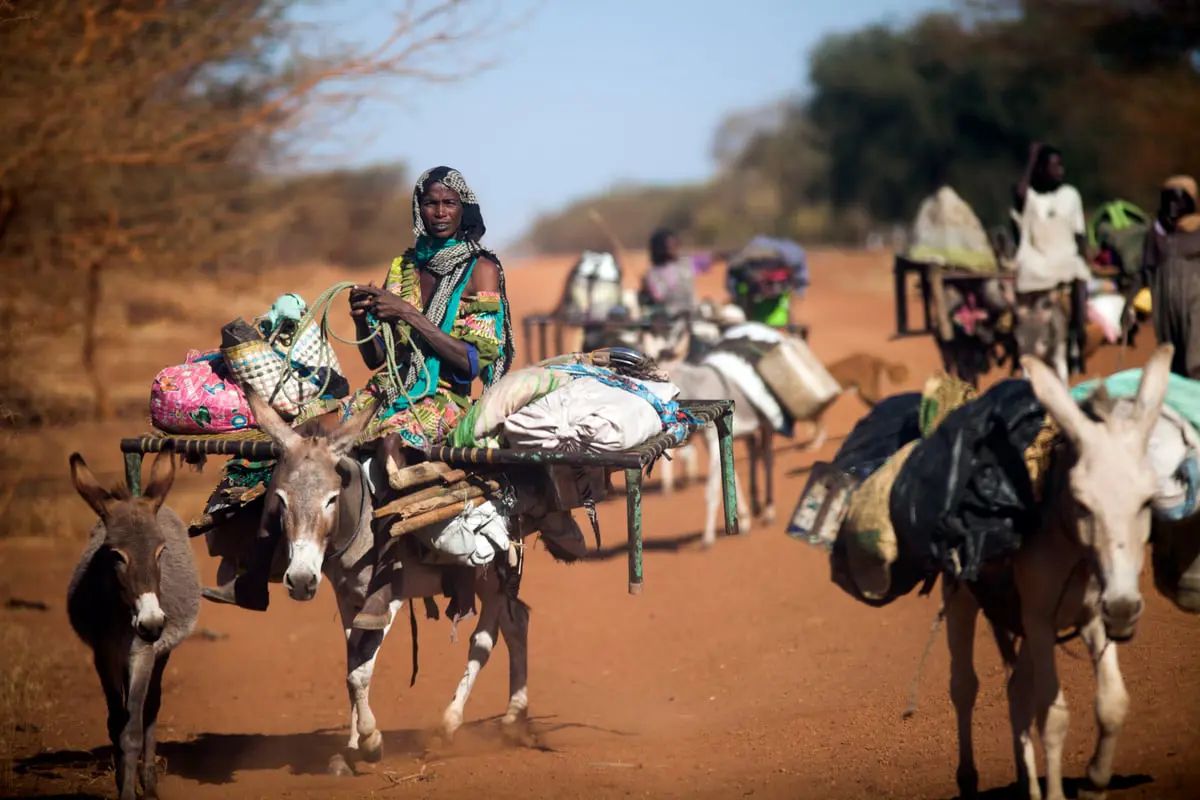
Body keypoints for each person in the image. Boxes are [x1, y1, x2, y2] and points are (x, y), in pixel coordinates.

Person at [201, 166, 514, 629]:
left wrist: (406, 312)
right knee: (298, 439)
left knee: (391, 443)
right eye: (431, 202)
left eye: (450, 203)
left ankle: (384, 580)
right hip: (385, 391)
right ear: (418, 208)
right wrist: (366, 320)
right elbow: (373, 359)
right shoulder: (403, 266)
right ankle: (254, 569)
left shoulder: (480, 268)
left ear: (464, 208)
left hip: (444, 398)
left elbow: (471, 363)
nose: (441, 212)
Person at [1011, 143, 1091, 376]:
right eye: (1053, 166)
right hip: (1035, 255)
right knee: (1025, 272)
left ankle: (1078, 333)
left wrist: (1084, 257)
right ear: (1039, 169)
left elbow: (1079, 233)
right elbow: (1020, 195)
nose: (1060, 170)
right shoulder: (1031, 197)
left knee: (1078, 270)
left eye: (1060, 165)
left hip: (1063, 254)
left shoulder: (1070, 195)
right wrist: (1031, 158)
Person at [1142, 175, 1200, 378]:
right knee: (1173, 365)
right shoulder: (1156, 234)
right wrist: (1129, 308)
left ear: (1191, 202)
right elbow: (1145, 270)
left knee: (1196, 362)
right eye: (1167, 200)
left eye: (1179, 199)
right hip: (1167, 311)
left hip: (1196, 306)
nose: (1172, 205)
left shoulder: (1197, 231)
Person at [638, 227, 695, 319]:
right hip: (670, 317)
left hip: (691, 314)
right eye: (671, 245)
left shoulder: (685, 263)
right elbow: (659, 296)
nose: (676, 248)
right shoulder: (654, 273)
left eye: (676, 244)